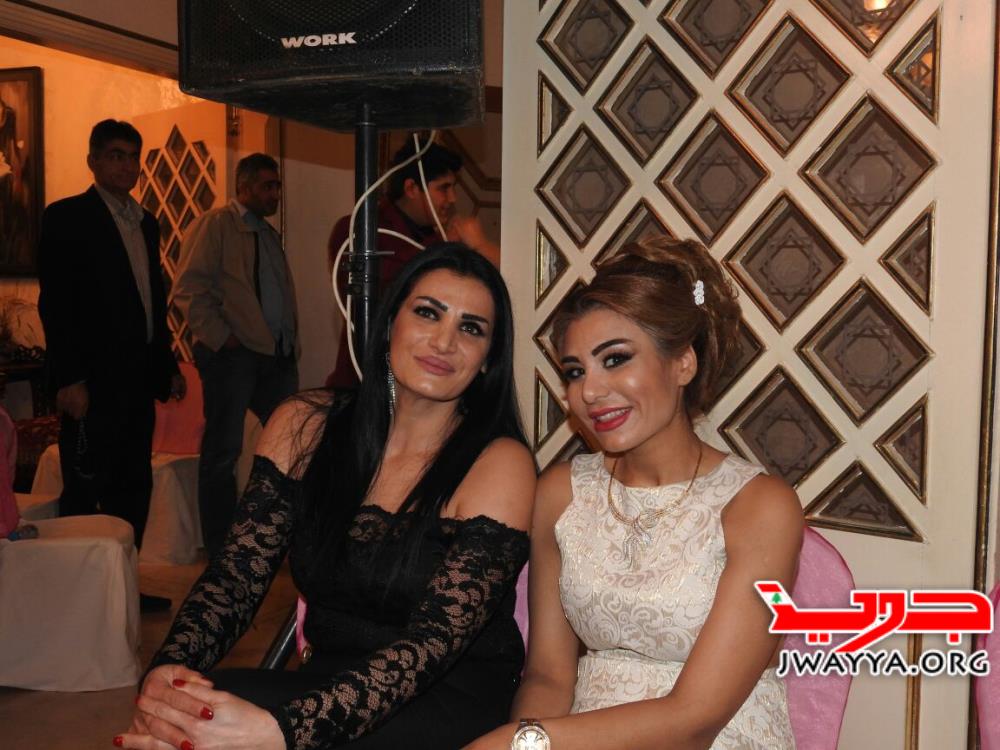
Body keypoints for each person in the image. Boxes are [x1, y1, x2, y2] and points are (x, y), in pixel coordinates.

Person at [118, 244, 536, 750]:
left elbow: (431, 645)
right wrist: (170, 670)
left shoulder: (499, 462)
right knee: (184, 716)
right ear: (390, 323)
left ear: (488, 359)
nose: (445, 341)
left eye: (471, 328)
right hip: (323, 680)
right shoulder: (305, 426)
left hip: (443, 696)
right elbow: (235, 579)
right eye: (428, 313)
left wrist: (283, 731)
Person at [468, 236, 803, 750]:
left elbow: (695, 719)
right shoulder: (561, 493)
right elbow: (549, 677)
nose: (589, 391)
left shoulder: (759, 506)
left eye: (616, 359)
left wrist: (516, 743)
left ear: (683, 363)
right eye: (575, 371)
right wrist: (528, 744)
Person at [37, 119, 185, 613]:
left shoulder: (146, 221)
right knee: (85, 486)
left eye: (133, 156)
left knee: (133, 488)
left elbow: (151, 300)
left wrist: (167, 364)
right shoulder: (67, 217)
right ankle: (74, 598)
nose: (127, 165)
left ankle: (122, 587)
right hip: (92, 381)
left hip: (137, 379)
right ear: (94, 161)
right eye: (116, 155)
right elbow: (56, 304)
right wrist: (70, 379)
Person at [173, 153, 299, 556]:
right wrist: (223, 338)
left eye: (277, 186)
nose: (274, 193)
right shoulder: (216, 225)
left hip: (274, 357)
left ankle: (274, 539)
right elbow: (189, 289)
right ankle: (222, 548)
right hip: (234, 356)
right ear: (243, 187)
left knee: (290, 445)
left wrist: (288, 344)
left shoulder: (267, 234)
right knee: (223, 451)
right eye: (266, 185)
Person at [326, 136, 499, 389]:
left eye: (453, 188)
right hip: (366, 382)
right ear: (411, 188)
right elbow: (390, 296)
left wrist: (477, 245)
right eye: (444, 188)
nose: (452, 199)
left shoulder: (436, 238)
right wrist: (452, 250)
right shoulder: (360, 230)